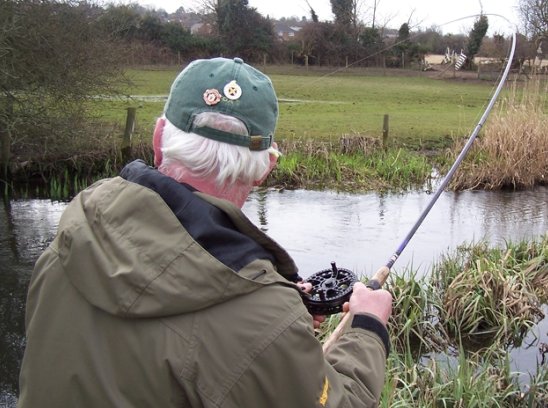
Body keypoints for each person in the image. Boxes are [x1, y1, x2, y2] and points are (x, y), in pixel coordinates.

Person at [18, 57, 393, 407]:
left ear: (158, 137)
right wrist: (367, 326)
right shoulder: (262, 325)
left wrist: (274, 301)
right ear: (266, 168)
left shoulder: (66, 245)